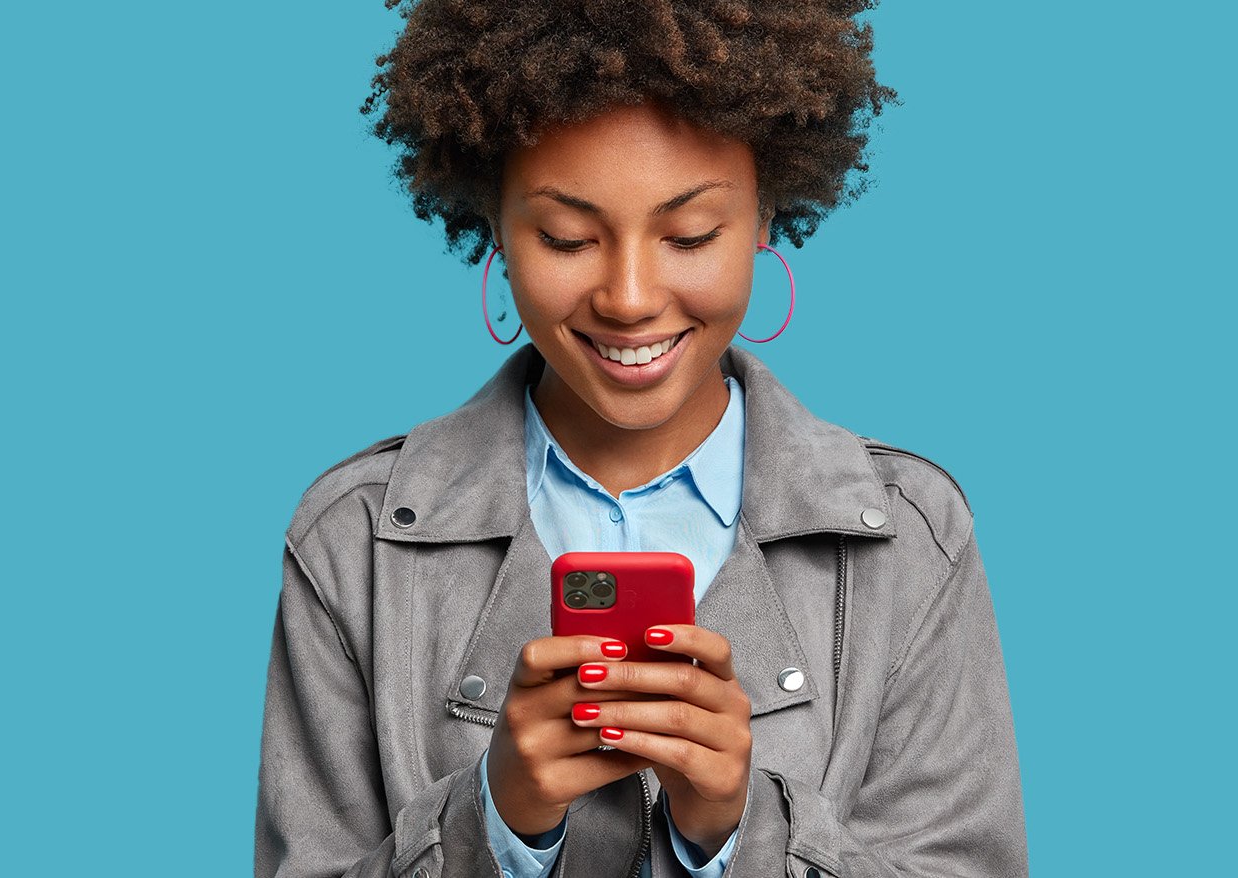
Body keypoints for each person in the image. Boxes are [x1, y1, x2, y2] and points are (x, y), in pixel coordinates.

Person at [255, 2, 1023, 876]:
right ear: (496, 227)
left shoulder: (909, 539)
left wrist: (742, 830)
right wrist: (493, 824)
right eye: (567, 236)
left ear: (765, 210)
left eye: (689, 234)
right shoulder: (354, 543)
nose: (628, 296)